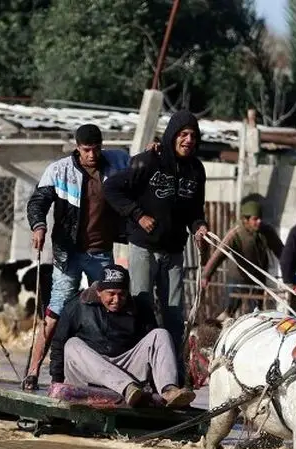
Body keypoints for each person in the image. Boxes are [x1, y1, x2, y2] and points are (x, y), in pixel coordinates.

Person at [23, 124, 131, 390]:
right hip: (67, 253)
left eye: (96, 149)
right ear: (77, 147)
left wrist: (155, 149)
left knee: (110, 305)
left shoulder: (118, 161)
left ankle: (113, 374)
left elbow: (142, 166)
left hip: (101, 252)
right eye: (86, 150)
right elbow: (38, 202)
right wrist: (39, 226)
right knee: (56, 309)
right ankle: (33, 371)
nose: (92, 155)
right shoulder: (58, 170)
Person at [103, 110, 210, 354]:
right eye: (183, 134)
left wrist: (199, 227)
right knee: (141, 305)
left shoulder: (196, 170)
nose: (188, 140)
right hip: (144, 247)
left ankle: (172, 370)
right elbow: (112, 188)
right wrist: (138, 215)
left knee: (174, 313)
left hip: (174, 251)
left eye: (193, 135)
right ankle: (138, 360)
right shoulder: (151, 161)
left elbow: (195, 211)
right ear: (173, 135)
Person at [49, 264, 196, 408]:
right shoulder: (77, 306)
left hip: (126, 368)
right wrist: (56, 382)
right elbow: (58, 345)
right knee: (72, 344)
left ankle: (169, 390)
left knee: (160, 335)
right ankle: (126, 387)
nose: (117, 300)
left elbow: (156, 353)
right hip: (91, 370)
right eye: (111, 294)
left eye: (122, 294)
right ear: (99, 291)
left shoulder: (140, 308)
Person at [200, 197, 283, 318]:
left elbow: (281, 252)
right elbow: (219, 254)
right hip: (237, 279)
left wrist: (293, 270)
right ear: (245, 219)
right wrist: (205, 275)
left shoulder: (266, 231)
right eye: (255, 219)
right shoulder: (236, 233)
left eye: (260, 219)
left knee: (255, 313)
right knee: (228, 312)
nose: (259, 222)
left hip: (257, 279)